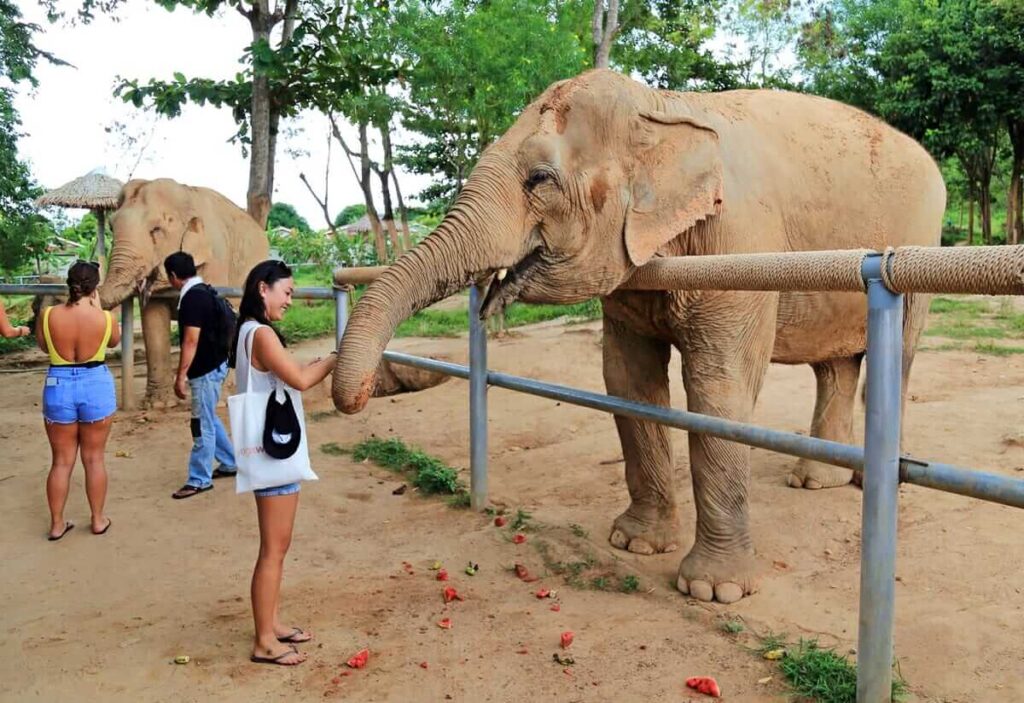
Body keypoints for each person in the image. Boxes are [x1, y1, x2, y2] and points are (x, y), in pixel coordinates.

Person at [231, 260, 335, 666]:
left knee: (278, 546)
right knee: (273, 549)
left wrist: (318, 362)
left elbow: (291, 373)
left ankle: (271, 623)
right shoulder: (262, 334)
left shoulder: (248, 332)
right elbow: (302, 380)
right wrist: (336, 358)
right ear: (263, 288)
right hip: (273, 457)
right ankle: (263, 641)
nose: (289, 300)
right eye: (286, 292)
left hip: (272, 455)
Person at [37, 260, 120, 541]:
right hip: (95, 382)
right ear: (95, 287)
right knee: (94, 459)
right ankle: (98, 519)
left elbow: (42, 345)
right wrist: (97, 310)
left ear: (69, 284)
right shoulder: (106, 318)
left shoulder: (48, 315)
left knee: (61, 461)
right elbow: (113, 342)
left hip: (58, 384)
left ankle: (57, 524)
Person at [164, 252, 237, 499]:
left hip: (205, 370)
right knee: (209, 417)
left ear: (173, 276)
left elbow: (190, 340)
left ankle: (199, 478)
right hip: (216, 364)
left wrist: (180, 376)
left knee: (201, 423)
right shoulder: (205, 290)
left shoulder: (192, 298)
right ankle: (229, 462)